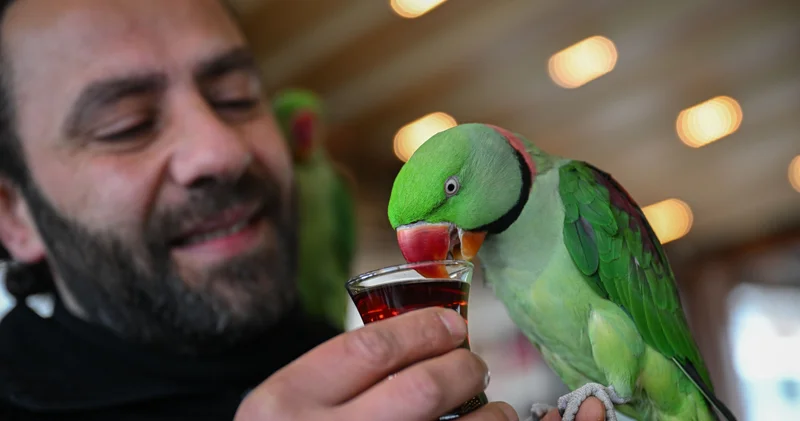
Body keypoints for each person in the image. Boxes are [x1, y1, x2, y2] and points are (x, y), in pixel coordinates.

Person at [0, 0, 607, 420]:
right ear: (13, 216)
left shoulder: (376, 381)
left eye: (236, 98)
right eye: (126, 125)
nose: (222, 150)